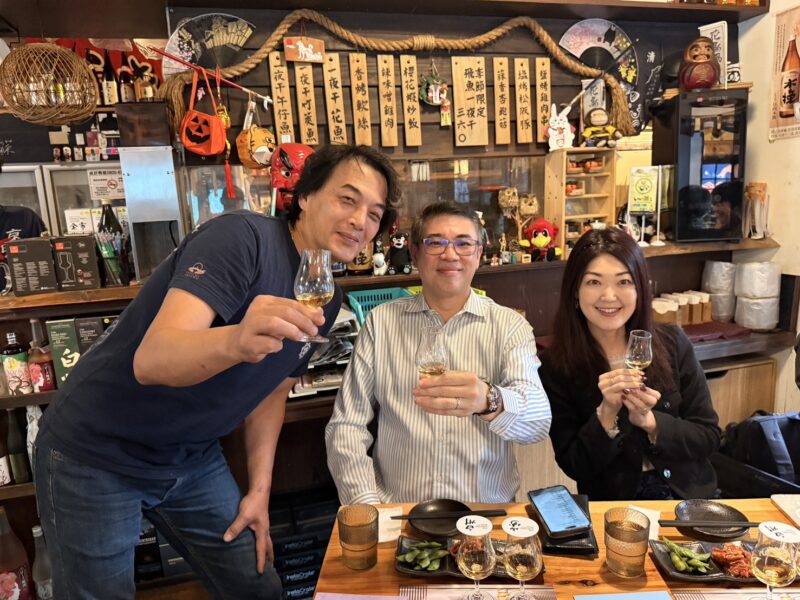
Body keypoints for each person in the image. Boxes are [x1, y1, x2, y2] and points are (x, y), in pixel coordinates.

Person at [34, 144, 401, 599]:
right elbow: (152, 360)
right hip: (96, 453)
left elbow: (274, 391)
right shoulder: (242, 239)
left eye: (374, 214)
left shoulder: (326, 299)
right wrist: (237, 339)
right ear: (305, 196)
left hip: (191, 456)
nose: (360, 221)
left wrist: (260, 491)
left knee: (257, 586)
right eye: (348, 199)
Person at [325, 202, 551, 504]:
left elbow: (538, 422)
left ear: (479, 254)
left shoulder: (509, 326)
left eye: (463, 243)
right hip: (400, 510)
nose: (450, 254)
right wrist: (367, 506)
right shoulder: (381, 323)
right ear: (415, 254)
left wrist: (489, 400)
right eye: (435, 243)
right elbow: (346, 426)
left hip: (485, 512)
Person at [539, 227, 720, 500]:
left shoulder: (672, 343)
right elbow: (574, 464)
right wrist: (607, 413)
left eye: (623, 282)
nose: (609, 296)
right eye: (594, 282)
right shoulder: (555, 366)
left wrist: (652, 422)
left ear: (640, 289)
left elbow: (709, 435)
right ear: (575, 291)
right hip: (614, 507)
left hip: (688, 501)